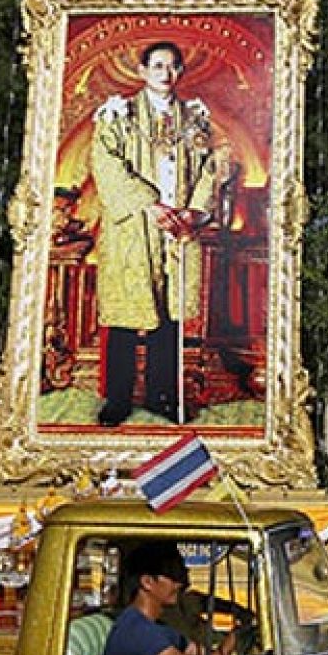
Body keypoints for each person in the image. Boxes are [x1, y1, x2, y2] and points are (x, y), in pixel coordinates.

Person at [89, 40, 219, 426]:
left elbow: (210, 169)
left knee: (169, 316)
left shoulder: (194, 120)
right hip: (135, 227)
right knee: (126, 316)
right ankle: (118, 400)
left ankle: (163, 397)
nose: (166, 73)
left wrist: (194, 210)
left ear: (181, 72)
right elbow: (105, 164)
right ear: (143, 71)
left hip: (178, 228)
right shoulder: (119, 115)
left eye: (173, 66)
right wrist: (149, 204)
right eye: (158, 66)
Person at [100, 540, 236, 655]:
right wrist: (232, 641)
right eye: (174, 574)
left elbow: (200, 654)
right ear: (147, 582)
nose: (181, 583)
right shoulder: (139, 630)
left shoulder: (159, 628)